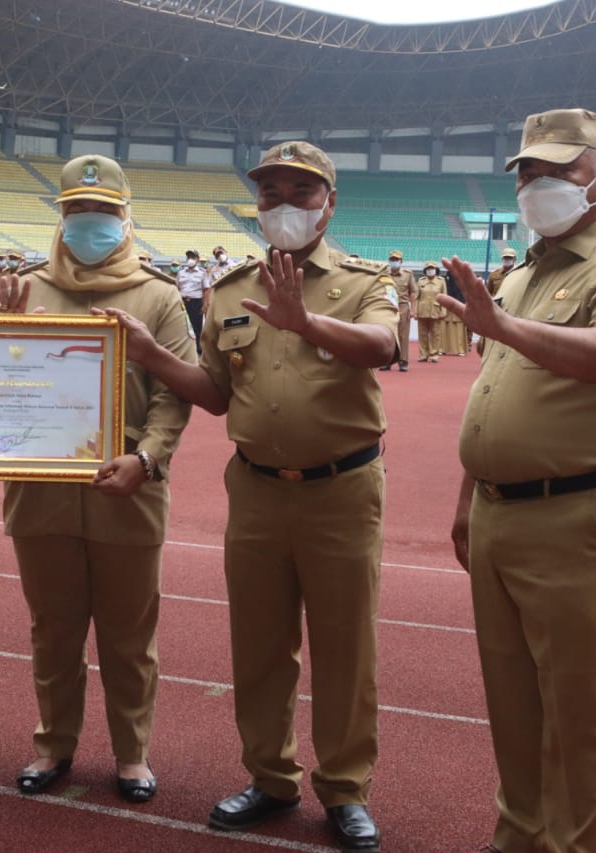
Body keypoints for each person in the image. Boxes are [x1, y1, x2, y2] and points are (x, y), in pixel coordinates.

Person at [109, 140, 395, 852]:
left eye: (302, 192)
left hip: (341, 489)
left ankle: (345, 788)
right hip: (258, 490)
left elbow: (380, 346)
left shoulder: (363, 279)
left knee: (345, 647)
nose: (284, 205)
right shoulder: (232, 288)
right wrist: (152, 355)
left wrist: (306, 322)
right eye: (271, 193)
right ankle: (270, 777)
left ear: (329, 204)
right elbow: (214, 393)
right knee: (260, 646)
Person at [439, 108, 596, 853]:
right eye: (528, 173)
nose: (537, 185)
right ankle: (521, 837)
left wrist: (503, 326)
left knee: (580, 715)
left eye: (558, 171)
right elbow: (494, 388)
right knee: (511, 703)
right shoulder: (519, 275)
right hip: (498, 514)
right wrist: (469, 496)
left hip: (578, 519)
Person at [0, 155, 194, 805]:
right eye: (77, 210)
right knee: (53, 631)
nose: (89, 222)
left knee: (129, 637)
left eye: (103, 211)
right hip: (40, 492)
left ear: (125, 218)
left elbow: (173, 393)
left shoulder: (158, 295)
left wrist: (148, 458)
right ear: (60, 216)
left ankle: (132, 753)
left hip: (127, 490)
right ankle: (54, 743)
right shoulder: (24, 288)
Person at [379, 249, 416, 371]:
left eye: (396, 259)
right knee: (387, 334)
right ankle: (387, 360)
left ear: (401, 261)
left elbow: (413, 292)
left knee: (403, 335)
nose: (394, 261)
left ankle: (403, 361)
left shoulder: (407, 274)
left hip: (403, 306)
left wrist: (413, 309)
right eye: (392, 259)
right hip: (388, 306)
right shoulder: (384, 274)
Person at [176, 248, 211, 349]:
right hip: (182, 302)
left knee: (197, 327)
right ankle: (184, 347)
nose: (190, 259)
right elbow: (177, 288)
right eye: (188, 257)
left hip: (196, 303)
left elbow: (206, 289)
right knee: (182, 326)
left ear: (197, 259)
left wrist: (205, 304)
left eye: (193, 257)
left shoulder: (202, 273)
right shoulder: (181, 272)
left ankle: (198, 348)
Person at [414, 261, 446, 362]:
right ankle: (423, 355)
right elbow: (416, 297)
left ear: (436, 270)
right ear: (425, 271)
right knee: (422, 334)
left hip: (435, 310)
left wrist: (443, 311)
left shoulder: (441, 281)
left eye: (432, 269)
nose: (430, 270)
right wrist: (415, 311)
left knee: (435, 334)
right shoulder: (421, 281)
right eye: (428, 269)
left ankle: (434, 355)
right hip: (422, 310)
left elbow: (444, 297)